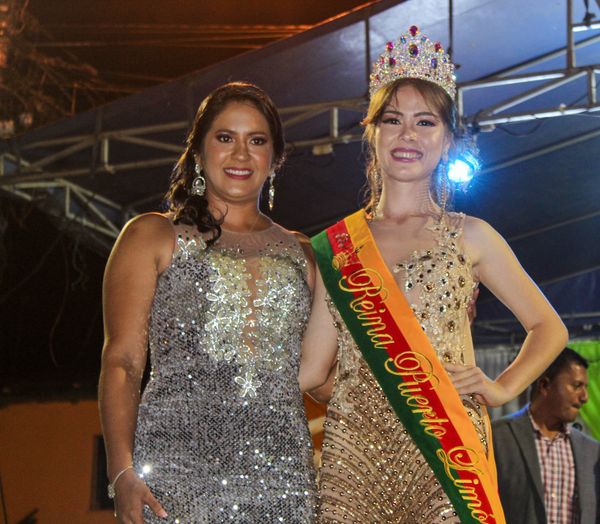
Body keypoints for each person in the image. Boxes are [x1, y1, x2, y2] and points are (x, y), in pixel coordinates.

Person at [298, 26, 568, 523]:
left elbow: (549, 327)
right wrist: (384, 395)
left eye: (425, 122)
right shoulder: (336, 246)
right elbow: (312, 372)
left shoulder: (472, 235)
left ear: (446, 142)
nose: (408, 135)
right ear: (372, 132)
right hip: (355, 459)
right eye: (393, 119)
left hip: (446, 448)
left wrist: (501, 388)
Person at [98, 82, 318, 523]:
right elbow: (122, 361)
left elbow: (322, 376)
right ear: (199, 152)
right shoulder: (153, 236)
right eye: (225, 137)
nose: (241, 154)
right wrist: (121, 471)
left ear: (275, 159)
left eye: (257, 141)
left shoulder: (304, 253)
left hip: (285, 483)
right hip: (175, 480)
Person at [492, 347, 600, 524]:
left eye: (585, 387)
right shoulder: (498, 437)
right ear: (544, 385)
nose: (585, 397)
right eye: (576, 386)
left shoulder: (592, 451)